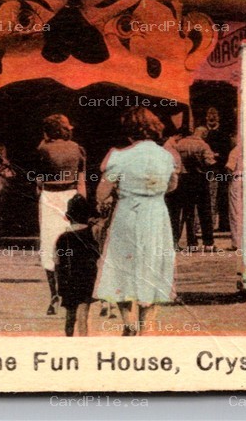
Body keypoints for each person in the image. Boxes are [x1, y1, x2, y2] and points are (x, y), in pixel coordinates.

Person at [93, 107, 178, 336]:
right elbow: (172, 185)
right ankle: (147, 327)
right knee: (154, 266)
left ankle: (129, 323)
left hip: (128, 214)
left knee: (122, 267)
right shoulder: (166, 156)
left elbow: (101, 193)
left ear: (129, 131)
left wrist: (119, 190)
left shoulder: (119, 156)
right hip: (157, 215)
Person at [34, 114, 86, 315]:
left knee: (49, 245)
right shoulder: (77, 148)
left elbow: (38, 181)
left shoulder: (43, 149)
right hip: (72, 195)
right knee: (74, 243)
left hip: (50, 197)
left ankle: (54, 295)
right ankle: (74, 292)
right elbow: (82, 181)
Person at [53, 193, 103, 337]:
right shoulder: (90, 235)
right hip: (86, 280)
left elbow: (57, 262)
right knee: (83, 317)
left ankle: (69, 339)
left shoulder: (62, 238)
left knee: (70, 316)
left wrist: (58, 284)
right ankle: (83, 343)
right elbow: (97, 256)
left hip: (68, 281)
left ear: (67, 217)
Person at [169, 125, 217, 251]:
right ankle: (208, 243)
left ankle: (192, 243)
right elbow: (209, 162)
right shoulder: (203, 145)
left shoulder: (180, 144)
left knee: (188, 212)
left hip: (184, 180)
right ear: (204, 134)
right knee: (205, 211)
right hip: (200, 179)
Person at [201, 107, 233, 233]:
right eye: (209, 115)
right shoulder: (202, 133)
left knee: (223, 197)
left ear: (218, 117)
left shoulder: (224, 133)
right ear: (206, 117)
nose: (212, 117)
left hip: (221, 170)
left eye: (214, 115)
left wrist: (216, 155)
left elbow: (228, 151)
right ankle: (207, 227)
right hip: (206, 170)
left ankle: (224, 225)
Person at [226, 139, 243, 252]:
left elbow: (229, 167)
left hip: (237, 179)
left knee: (235, 211)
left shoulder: (235, 150)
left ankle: (237, 243)